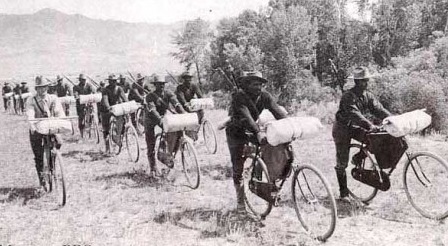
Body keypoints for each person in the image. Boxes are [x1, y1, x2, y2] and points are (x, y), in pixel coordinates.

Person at [226, 71, 287, 213]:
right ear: (246, 85)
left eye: (260, 84)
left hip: (252, 129)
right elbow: (246, 116)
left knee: (272, 146)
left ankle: (261, 179)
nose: (258, 87)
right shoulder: (239, 96)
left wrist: (290, 125)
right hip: (237, 132)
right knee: (238, 166)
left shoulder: (264, 96)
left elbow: (277, 111)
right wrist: (258, 132)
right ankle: (240, 201)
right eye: (254, 84)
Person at [332, 66, 392, 201]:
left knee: (374, 140)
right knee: (342, 163)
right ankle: (343, 194)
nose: (367, 83)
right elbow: (355, 114)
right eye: (364, 81)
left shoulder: (367, 95)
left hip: (355, 127)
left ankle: (358, 157)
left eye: (367, 80)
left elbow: (378, 109)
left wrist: (393, 119)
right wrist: (370, 126)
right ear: (357, 82)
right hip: (342, 129)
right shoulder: (348, 97)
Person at [26, 76, 65, 188]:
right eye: (40, 88)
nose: (43, 90)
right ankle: (42, 180)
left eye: (45, 87)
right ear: (36, 89)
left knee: (59, 142)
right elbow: (30, 113)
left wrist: (60, 121)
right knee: (38, 155)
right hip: (37, 128)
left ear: (47, 88)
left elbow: (59, 112)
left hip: (50, 127)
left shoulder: (53, 98)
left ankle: (52, 164)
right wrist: (32, 125)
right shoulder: (31, 100)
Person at [144, 75, 185, 177]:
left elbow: (176, 104)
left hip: (163, 116)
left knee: (178, 130)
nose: (161, 86)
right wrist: (161, 120)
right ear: (155, 85)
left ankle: (170, 156)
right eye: (158, 84)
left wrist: (184, 114)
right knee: (151, 143)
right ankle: (153, 168)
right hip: (150, 119)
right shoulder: (150, 96)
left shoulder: (168, 93)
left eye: (162, 84)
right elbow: (153, 110)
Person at [100, 74, 128, 153]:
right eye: (111, 81)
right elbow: (105, 100)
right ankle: (107, 147)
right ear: (109, 82)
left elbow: (124, 98)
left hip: (116, 108)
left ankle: (118, 138)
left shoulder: (119, 88)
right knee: (106, 129)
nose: (113, 83)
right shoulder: (105, 90)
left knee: (122, 122)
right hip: (105, 109)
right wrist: (109, 107)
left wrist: (128, 105)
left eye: (115, 81)